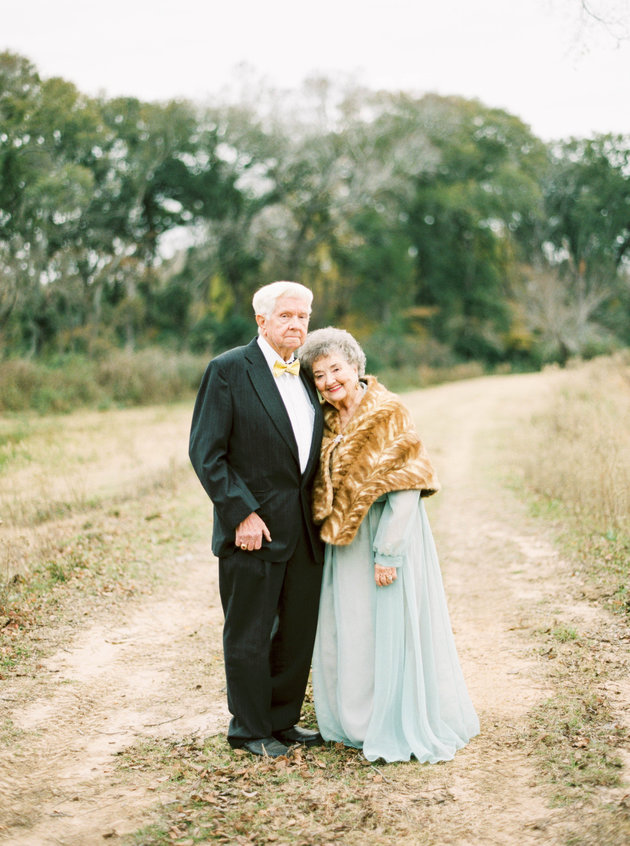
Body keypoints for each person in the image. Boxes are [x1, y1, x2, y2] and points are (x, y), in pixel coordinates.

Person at [298, 327, 480, 763]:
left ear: (356, 366)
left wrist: (389, 553)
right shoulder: (322, 417)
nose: (328, 381)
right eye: (319, 374)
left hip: (384, 535)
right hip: (344, 541)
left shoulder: (388, 411)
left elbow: (406, 489)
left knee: (390, 629)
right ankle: (352, 720)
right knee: (352, 628)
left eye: (335, 369)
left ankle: (393, 719)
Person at [189, 282, 325, 758]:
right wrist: (240, 513)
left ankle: (282, 721)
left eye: (303, 316)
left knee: (296, 631)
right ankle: (249, 729)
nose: (296, 324)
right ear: (261, 320)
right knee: (249, 632)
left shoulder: (309, 372)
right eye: (286, 315)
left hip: (307, 530)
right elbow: (207, 454)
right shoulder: (228, 370)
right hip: (254, 529)